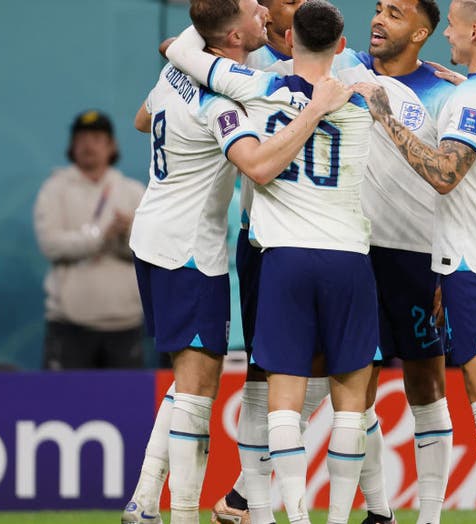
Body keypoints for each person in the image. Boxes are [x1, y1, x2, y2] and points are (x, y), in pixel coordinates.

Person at [123, 1, 354, 522]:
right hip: (189, 251)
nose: (265, 15)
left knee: (189, 382)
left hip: (153, 235)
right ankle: (183, 513)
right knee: (198, 392)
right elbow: (259, 167)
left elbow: (142, 119)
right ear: (232, 36)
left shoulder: (177, 69)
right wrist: (315, 110)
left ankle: (144, 499)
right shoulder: (223, 100)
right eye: (254, 11)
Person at [354, 0, 476, 522]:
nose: (446, 35)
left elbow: (444, 174)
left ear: (474, 31)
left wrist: (386, 116)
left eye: (453, 27)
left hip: (475, 261)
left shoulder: (473, 97)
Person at [323, 1, 457, 522]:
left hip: (420, 258)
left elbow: (463, 184)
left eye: (395, 13)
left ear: (421, 33)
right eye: (379, 9)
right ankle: (379, 512)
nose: (378, 19)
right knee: (357, 389)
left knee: (427, 384)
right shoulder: (343, 66)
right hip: (355, 254)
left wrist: (450, 264)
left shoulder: (447, 91)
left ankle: (430, 516)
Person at [33, 110, 146, 370]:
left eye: (97, 138)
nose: (88, 145)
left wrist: (127, 234)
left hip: (125, 323)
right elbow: (51, 244)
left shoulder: (133, 191)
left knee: (123, 397)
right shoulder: (54, 190)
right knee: (63, 397)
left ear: (111, 146)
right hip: (69, 324)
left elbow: (152, 251)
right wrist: (100, 236)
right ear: (72, 146)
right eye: (81, 138)